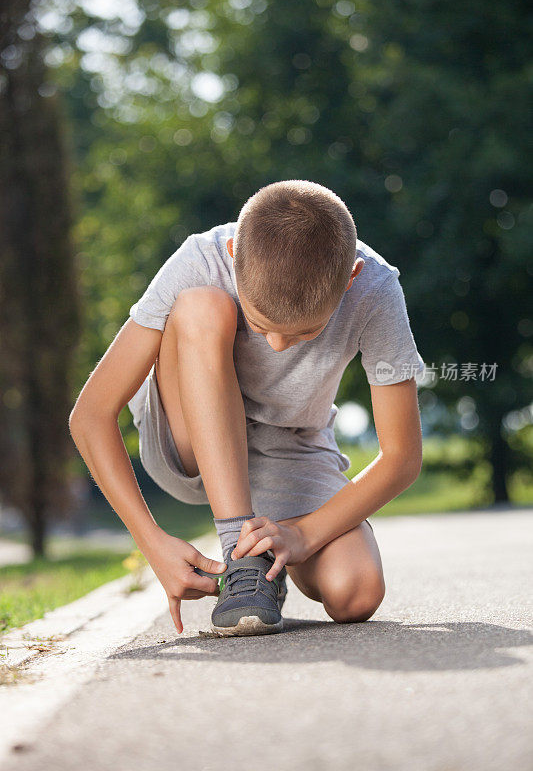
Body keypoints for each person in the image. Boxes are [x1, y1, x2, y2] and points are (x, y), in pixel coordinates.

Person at [69, 180, 424, 637]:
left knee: (355, 592)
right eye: (259, 325)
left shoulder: (375, 286)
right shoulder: (201, 259)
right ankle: (244, 567)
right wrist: (152, 543)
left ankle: (260, 555)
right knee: (202, 306)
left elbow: (401, 457)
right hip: (187, 445)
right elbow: (91, 414)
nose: (277, 347)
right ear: (235, 253)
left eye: (303, 334)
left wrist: (300, 535)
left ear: (351, 276)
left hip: (288, 447)